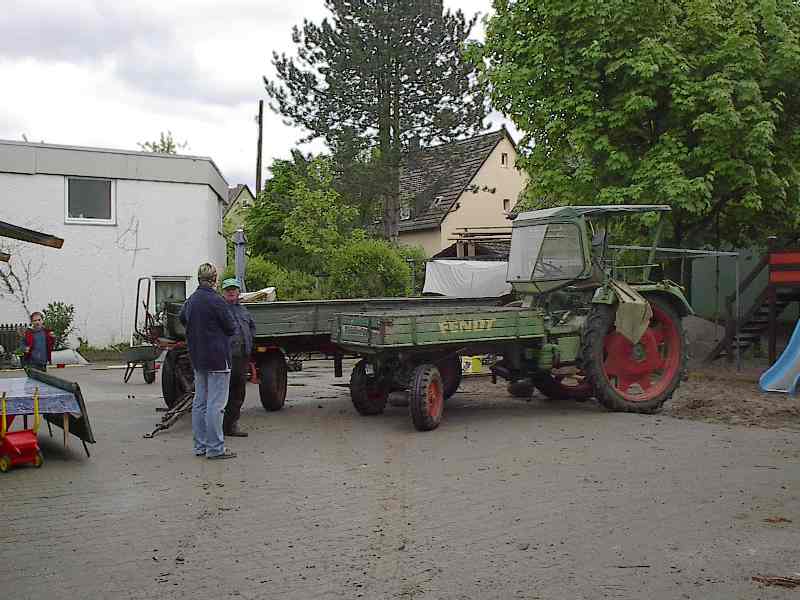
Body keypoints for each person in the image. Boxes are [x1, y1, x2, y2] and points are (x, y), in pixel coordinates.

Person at [179, 263, 237, 460]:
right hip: (218, 359)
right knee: (216, 404)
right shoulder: (217, 301)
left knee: (200, 403)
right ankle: (215, 448)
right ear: (214, 280)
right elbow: (231, 327)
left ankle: (200, 446)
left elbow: (182, 319)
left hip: (198, 357)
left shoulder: (190, 301)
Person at [221, 278, 256, 437]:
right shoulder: (220, 310)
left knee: (238, 392)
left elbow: (252, 328)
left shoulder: (244, 311)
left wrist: (248, 345)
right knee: (223, 393)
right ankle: (219, 427)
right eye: (228, 289)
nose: (231, 292)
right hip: (226, 357)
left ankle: (231, 425)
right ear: (223, 292)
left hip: (242, 357)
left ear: (238, 292)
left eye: (234, 289)